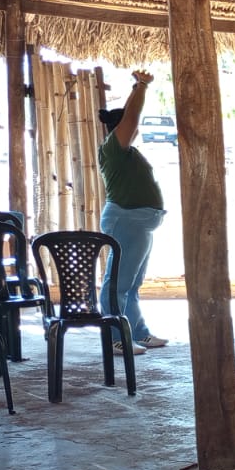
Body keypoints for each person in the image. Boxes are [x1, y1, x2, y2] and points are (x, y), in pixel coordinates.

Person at [97, 69, 166, 354]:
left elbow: (130, 120)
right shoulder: (113, 148)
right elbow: (132, 118)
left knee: (132, 284)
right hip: (126, 219)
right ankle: (115, 338)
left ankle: (137, 333)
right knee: (118, 283)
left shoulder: (125, 152)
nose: (135, 130)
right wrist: (142, 86)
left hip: (139, 222)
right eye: (127, 126)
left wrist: (136, 88)